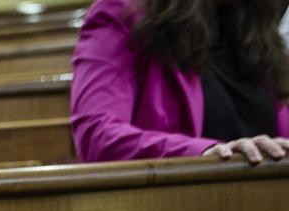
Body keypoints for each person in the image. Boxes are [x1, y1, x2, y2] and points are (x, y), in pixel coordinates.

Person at [71, 0, 289, 163]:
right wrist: (205, 152)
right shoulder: (123, 13)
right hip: (174, 210)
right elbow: (97, 134)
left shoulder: (250, 25)